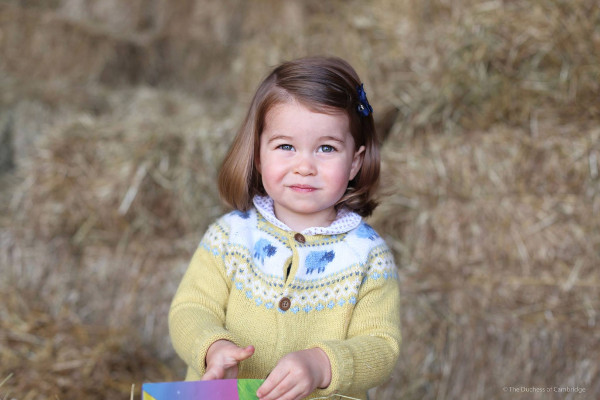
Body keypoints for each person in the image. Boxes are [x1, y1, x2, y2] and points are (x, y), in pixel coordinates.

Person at [169, 56, 401, 400]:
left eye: (326, 148)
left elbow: (382, 345)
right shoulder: (230, 236)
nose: (304, 166)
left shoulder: (368, 255)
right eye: (286, 146)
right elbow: (191, 308)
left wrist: (322, 364)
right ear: (259, 155)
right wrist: (212, 347)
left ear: (354, 161)